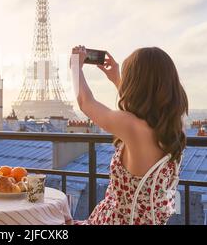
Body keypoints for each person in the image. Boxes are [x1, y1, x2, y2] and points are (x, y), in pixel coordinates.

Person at [70, 46, 188, 225]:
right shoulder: (174, 129)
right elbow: (142, 107)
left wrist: (75, 67)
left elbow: (85, 102)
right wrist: (117, 78)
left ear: (136, 83)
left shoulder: (131, 126)